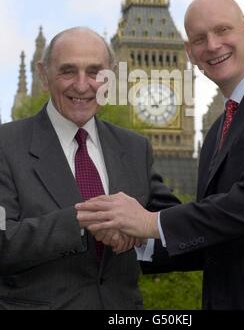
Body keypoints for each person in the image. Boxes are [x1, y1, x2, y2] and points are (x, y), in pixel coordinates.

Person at [77, 0, 244, 310]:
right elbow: (213, 235)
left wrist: (150, 223)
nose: (212, 45)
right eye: (199, 39)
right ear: (189, 53)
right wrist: (137, 241)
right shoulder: (216, 132)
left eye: (223, 30)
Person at [0, 27, 179, 310]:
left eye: (95, 72)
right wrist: (84, 219)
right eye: (68, 71)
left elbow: (176, 228)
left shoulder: (134, 148)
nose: (82, 86)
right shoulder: (6, 145)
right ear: (44, 75)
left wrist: (140, 232)